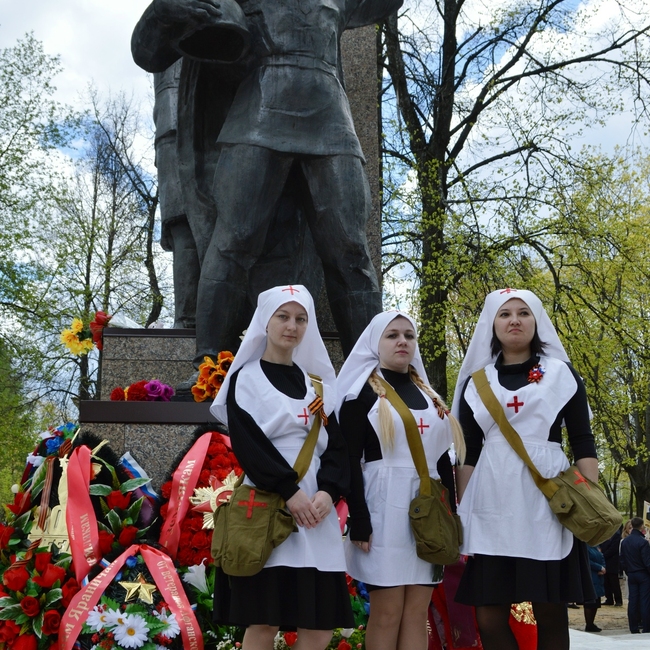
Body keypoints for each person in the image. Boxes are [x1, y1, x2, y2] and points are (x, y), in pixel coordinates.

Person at [132, 0, 402, 367]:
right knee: (233, 241)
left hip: (331, 124)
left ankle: (371, 371)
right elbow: (148, 52)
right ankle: (209, 369)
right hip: (256, 116)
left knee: (351, 250)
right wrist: (165, 8)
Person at [452, 288, 598, 650]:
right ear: (492, 324)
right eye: (505, 314)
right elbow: (468, 454)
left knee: (549, 610)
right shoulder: (476, 382)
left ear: (536, 321)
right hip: (492, 504)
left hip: (546, 503)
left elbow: (583, 442)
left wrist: (590, 503)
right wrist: (462, 513)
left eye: (523, 313)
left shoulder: (561, 374)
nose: (514, 320)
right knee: (488, 616)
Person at [210, 284, 353, 648]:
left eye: (301, 319)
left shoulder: (317, 385)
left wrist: (328, 491)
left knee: (319, 625)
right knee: (263, 621)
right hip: (268, 504)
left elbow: (337, 447)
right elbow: (249, 444)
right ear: (265, 320)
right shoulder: (246, 378)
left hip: (315, 512)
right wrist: (289, 491)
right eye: (283, 317)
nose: (292, 326)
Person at [336, 311, 466, 650]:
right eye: (392, 335)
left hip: (429, 509)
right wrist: (359, 518)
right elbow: (349, 461)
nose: (402, 341)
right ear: (375, 343)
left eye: (409, 335)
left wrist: (450, 516)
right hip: (384, 506)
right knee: (388, 611)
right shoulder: (360, 395)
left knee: (417, 612)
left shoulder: (431, 396)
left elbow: (441, 458)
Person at [619, 516, 650, 634]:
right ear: (641, 526)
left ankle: (633, 626)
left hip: (631, 574)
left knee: (632, 600)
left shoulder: (625, 542)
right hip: (643, 573)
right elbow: (647, 561)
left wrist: (627, 571)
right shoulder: (643, 542)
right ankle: (646, 626)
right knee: (644, 600)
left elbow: (622, 559)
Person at [583, 545, 606, 632]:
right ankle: (588, 624)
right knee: (590, 603)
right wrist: (599, 567)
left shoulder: (596, 547)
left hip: (598, 577)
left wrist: (603, 567)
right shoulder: (586, 547)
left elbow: (602, 557)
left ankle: (591, 623)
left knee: (596, 602)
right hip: (591, 577)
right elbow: (587, 561)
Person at [600, 526, 623, 606]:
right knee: (606, 581)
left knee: (614, 581)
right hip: (604, 560)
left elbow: (614, 548)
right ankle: (609, 599)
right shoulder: (604, 533)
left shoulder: (616, 534)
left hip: (612, 561)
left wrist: (603, 555)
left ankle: (618, 599)